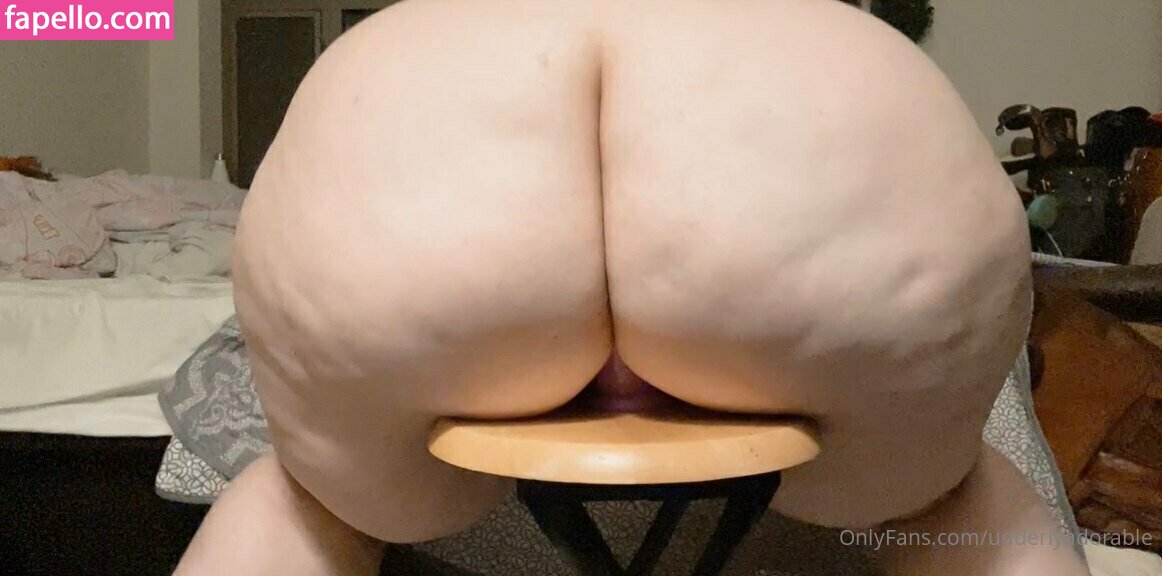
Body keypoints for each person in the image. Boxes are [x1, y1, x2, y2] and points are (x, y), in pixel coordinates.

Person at [175, 1, 1093, 574]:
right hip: (799, 113)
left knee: (316, 497)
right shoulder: (824, 37)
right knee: (943, 494)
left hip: (429, 95)